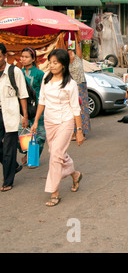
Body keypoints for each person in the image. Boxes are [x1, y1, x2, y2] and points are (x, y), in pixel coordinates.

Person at [31, 49, 84, 206]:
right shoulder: (46, 78)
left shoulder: (70, 84)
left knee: (55, 155)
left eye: (55, 63)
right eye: (50, 62)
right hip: (50, 122)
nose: (52, 66)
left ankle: (54, 192)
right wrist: (35, 122)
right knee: (57, 154)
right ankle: (75, 174)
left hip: (65, 122)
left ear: (63, 65)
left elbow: (76, 108)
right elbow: (42, 100)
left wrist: (79, 131)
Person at [0, 43, 29, 192]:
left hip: (11, 114)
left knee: (9, 149)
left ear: (5, 56)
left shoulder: (14, 71)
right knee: (3, 149)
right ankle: (15, 166)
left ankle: (8, 181)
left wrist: (25, 116)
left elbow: (23, 95)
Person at [19, 47, 45, 169]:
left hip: (37, 107)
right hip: (22, 107)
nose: (23, 59)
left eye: (26, 57)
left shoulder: (40, 74)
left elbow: (44, 91)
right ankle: (27, 152)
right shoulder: (18, 72)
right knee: (21, 133)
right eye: (22, 56)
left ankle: (34, 156)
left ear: (33, 59)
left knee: (40, 135)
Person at [68, 48, 90, 139]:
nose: (71, 54)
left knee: (82, 109)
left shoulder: (78, 59)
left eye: (72, 52)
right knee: (71, 109)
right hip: (70, 87)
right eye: (68, 53)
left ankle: (82, 132)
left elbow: (78, 45)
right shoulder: (66, 63)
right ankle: (72, 133)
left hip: (81, 86)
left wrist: (76, 36)